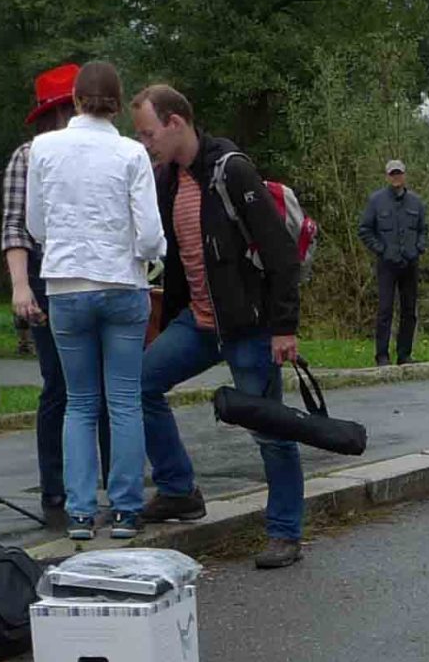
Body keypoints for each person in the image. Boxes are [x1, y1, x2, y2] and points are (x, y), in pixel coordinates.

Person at [130, 84, 309, 569]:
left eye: (148, 134)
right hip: (200, 323)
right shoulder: (168, 180)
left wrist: (284, 328)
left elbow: (280, 254)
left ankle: (285, 532)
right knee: (140, 385)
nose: (145, 143)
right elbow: (176, 260)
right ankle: (178, 489)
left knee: (268, 428)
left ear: (175, 123)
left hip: (249, 326)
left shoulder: (231, 171)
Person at [24, 59, 163, 540]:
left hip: (66, 285)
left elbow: (35, 225)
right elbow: (149, 233)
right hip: (123, 284)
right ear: (118, 105)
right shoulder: (131, 153)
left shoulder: (43, 149)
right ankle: (125, 510)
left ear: (76, 99)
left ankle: (80, 513)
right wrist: (147, 256)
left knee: (79, 403)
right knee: (123, 402)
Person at [0, 62, 102, 519]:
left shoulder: (103, 150)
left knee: (107, 384)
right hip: (47, 272)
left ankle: (110, 480)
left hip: (97, 268)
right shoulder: (28, 157)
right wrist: (22, 286)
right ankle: (55, 485)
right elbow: (15, 227)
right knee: (59, 383)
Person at [357, 157, 428, 365]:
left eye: (399, 173)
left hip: (410, 263)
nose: (396, 177)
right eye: (392, 174)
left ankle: (404, 354)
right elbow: (365, 230)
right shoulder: (376, 201)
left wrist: (418, 248)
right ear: (387, 177)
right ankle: (382, 355)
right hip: (387, 264)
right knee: (385, 310)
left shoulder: (416, 202)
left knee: (409, 310)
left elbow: (424, 230)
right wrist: (381, 250)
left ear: (404, 175)